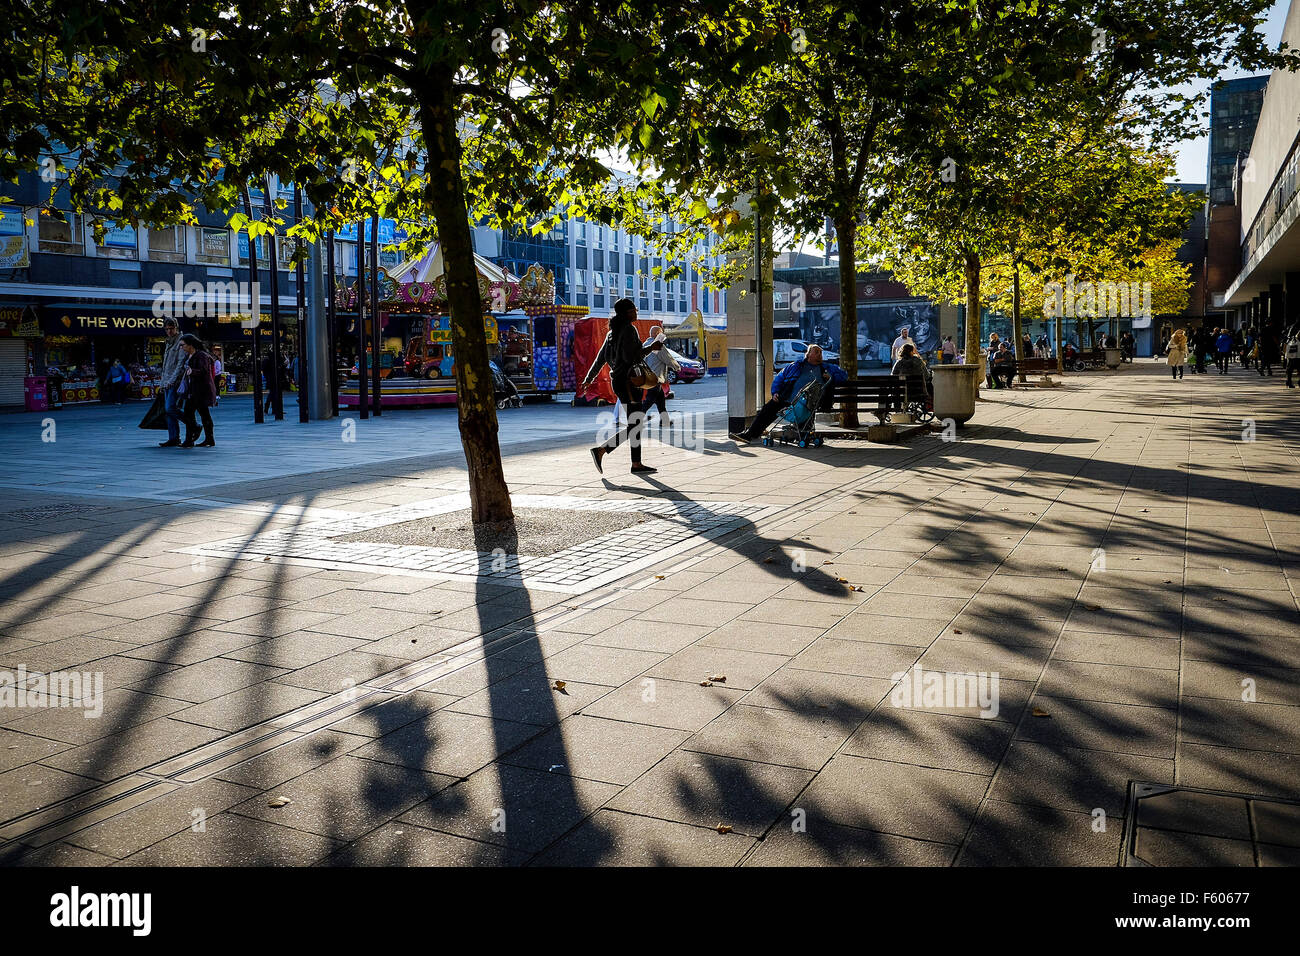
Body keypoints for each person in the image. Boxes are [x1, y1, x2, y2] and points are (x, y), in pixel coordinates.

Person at [583, 298, 664, 475]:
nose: (636, 312)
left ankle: (635, 462)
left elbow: (600, 358)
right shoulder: (629, 330)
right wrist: (652, 347)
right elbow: (633, 357)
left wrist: (589, 378)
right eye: (634, 309)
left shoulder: (611, 333)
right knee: (635, 423)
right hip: (630, 382)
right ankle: (602, 450)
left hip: (618, 382)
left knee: (635, 422)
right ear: (627, 313)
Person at [730, 343, 846, 443]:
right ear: (808, 354)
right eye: (816, 352)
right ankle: (750, 435)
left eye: (820, 352)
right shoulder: (795, 366)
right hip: (787, 399)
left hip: (808, 404)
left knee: (803, 418)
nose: (819, 355)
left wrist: (831, 377)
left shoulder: (827, 368)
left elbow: (843, 376)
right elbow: (779, 379)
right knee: (768, 408)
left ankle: (803, 435)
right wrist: (775, 392)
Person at [177, 334, 218, 447]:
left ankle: (191, 439)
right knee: (200, 414)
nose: (182, 347)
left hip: (201, 391)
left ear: (190, 344)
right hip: (195, 391)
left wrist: (192, 371)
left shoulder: (201, 355)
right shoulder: (191, 355)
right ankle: (207, 439)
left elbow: (204, 371)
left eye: (183, 345)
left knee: (191, 413)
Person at [157, 317, 187, 447]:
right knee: (168, 410)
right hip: (167, 381)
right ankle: (173, 437)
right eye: (167, 329)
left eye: (171, 328)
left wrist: (171, 380)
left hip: (175, 381)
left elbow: (180, 364)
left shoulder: (181, 342)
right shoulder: (169, 342)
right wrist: (162, 382)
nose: (169, 331)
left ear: (176, 328)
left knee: (170, 408)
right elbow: (165, 365)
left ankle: (192, 424)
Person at [641, 326, 680, 424]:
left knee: (660, 400)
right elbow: (668, 359)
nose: (663, 336)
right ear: (657, 334)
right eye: (661, 333)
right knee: (649, 400)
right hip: (656, 377)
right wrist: (677, 367)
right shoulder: (658, 345)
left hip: (649, 377)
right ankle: (637, 417)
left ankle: (664, 420)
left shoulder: (645, 344)